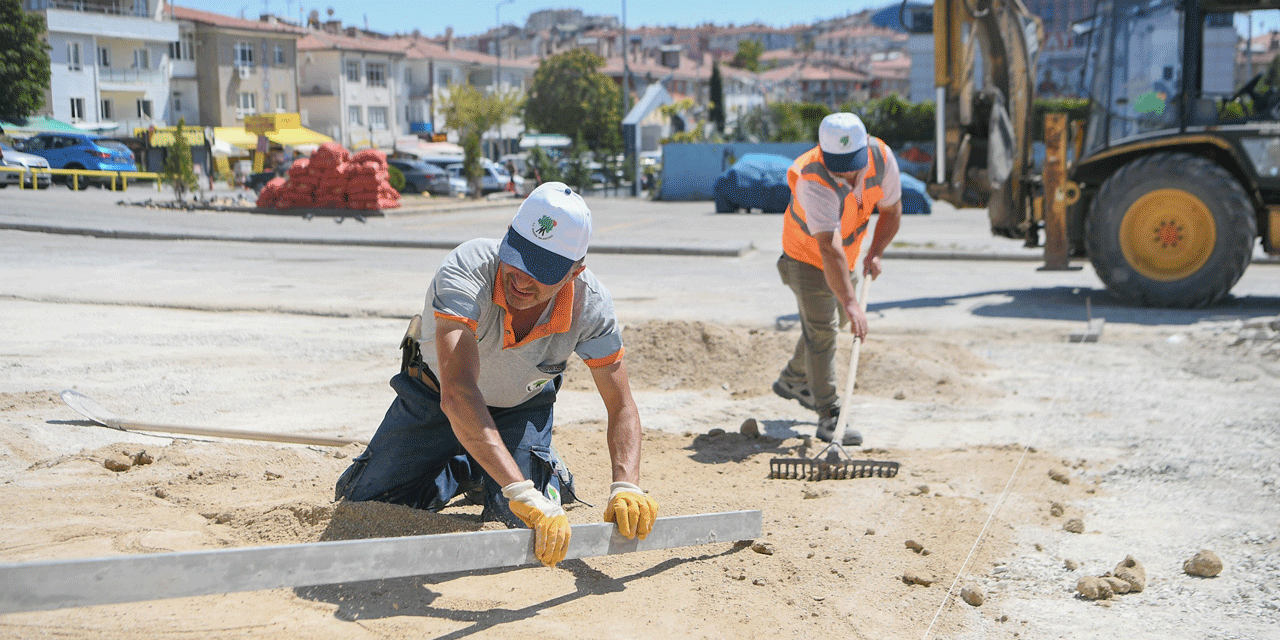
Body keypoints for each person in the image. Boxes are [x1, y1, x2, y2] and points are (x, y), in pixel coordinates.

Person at [335, 182, 659, 567]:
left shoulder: (592, 306)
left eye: (542, 272)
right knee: (367, 502)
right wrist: (518, 487)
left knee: (517, 526)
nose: (522, 279)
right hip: (436, 396)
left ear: (575, 271)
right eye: (518, 259)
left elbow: (621, 404)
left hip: (519, 406)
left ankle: (537, 474)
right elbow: (457, 392)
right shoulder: (469, 267)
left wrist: (626, 484)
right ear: (508, 236)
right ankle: (471, 467)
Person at [772, 112, 902, 447]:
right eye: (837, 163)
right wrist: (850, 300)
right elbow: (828, 250)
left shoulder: (882, 159)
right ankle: (829, 414)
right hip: (805, 256)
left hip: (846, 254)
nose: (844, 171)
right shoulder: (812, 179)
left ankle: (794, 378)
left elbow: (891, 210)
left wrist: (875, 252)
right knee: (825, 329)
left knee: (834, 322)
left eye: (851, 162)